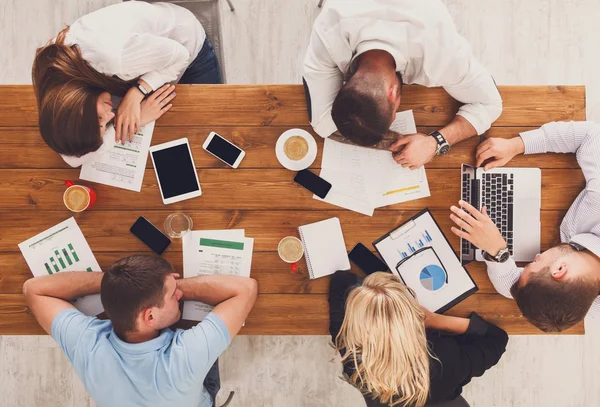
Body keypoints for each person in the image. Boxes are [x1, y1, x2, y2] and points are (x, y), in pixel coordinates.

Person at [22, 255, 257, 407]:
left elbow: (34, 289)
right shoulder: (187, 355)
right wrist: (172, 286)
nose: (179, 295)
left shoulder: (86, 343)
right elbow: (245, 289)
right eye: (174, 293)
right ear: (150, 316)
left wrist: (122, 285)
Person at [302, 0, 503, 170]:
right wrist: (400, 142)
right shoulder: (327, 29)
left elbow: (491, 103)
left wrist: (436, 142)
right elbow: (322, 123)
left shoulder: (442, 53)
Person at [449, 121, 600, 332]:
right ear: (559, 269)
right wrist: (516, 145)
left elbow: (511, 287)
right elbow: (590, 135)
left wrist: (498, 253)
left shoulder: (579, 300)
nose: (535, 257)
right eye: (534, 262)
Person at [32, 1, 222, 167]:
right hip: (138, 64)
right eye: (103, 125)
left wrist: (136, 93)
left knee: (207, 124)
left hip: (186, 49)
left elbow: (180, 56)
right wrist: (131, 122)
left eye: (100, 119)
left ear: (75, 107)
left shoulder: (117, 60)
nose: (111, 115)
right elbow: (72, 159)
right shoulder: (55, 86)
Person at [329, 270, 508, 407]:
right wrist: (437, 321)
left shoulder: (354, 359)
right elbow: (497, 339)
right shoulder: (444, 360)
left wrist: (377, 302)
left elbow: (341, 280)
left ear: (356, 323)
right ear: (412, 318)